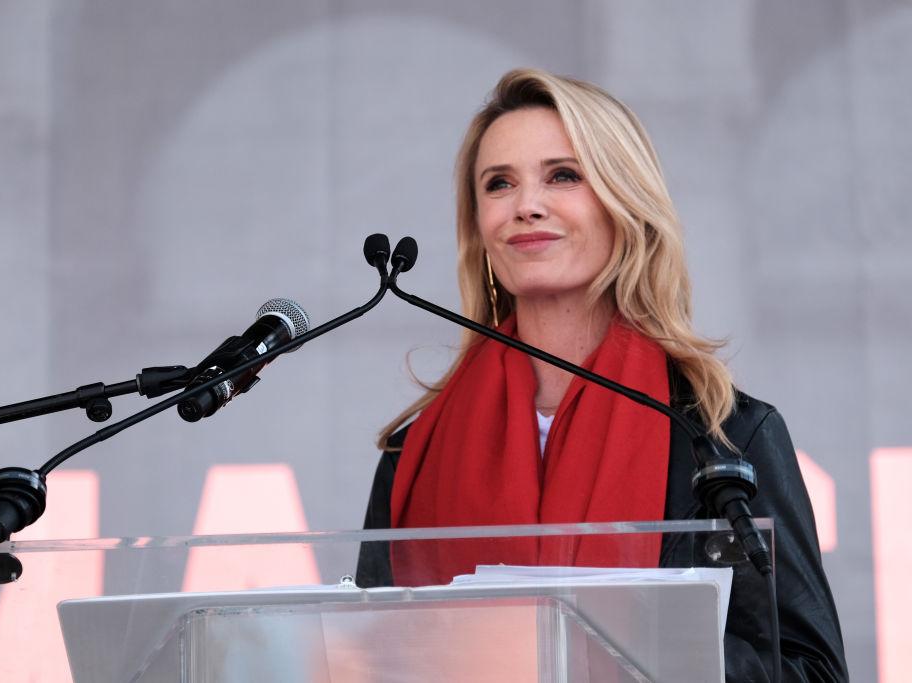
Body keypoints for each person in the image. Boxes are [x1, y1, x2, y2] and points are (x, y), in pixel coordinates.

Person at [357, 69, 847, 681]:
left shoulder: (724, 440)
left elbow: (813, 670)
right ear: (479, 227)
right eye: (498, 184)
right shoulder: (413, 455)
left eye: (563, 175)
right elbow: (368, 660)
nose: (525, 205)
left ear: (623, 202)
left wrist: (623, 649)